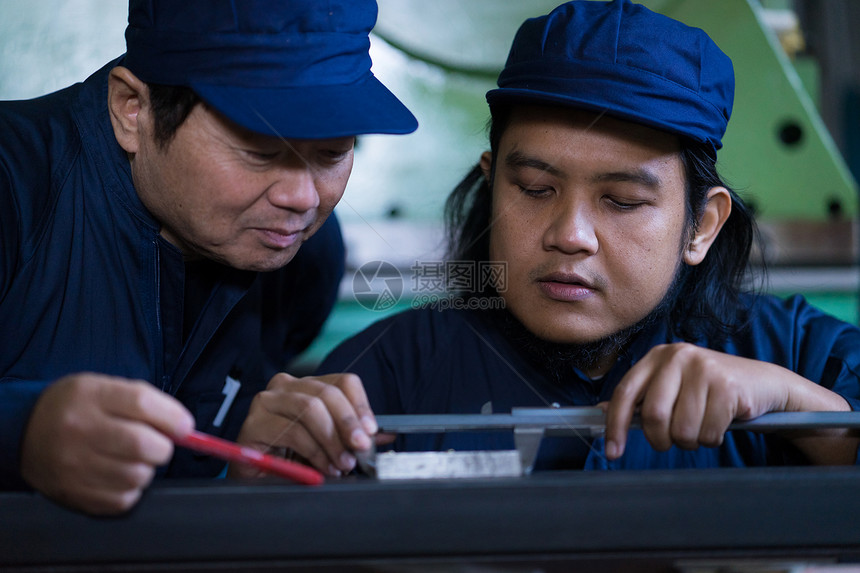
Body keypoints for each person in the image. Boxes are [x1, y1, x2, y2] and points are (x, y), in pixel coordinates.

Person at [290, 0, 860, 473]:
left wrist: (799, 408)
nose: (571, 236)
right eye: (536, 189)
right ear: (492, 188)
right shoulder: (390, 374)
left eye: (622, 201)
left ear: (701, 225)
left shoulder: (798, 355)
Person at [0, 0, 417, 514]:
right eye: (261, 153)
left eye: (332, 154)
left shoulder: (303, 257)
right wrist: (21, 433)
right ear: (134, 108)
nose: (304, 199)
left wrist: (237, 476)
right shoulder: (13, 187)